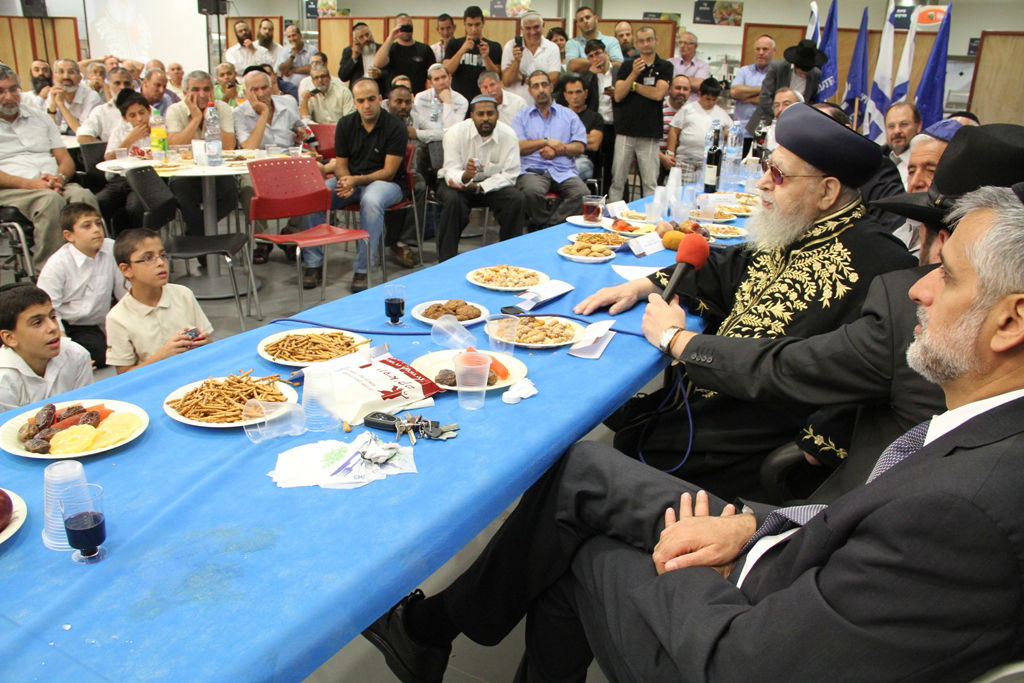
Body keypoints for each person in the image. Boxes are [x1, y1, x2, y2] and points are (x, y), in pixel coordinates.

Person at [366, 183, 1024, 682]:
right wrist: (759, 524)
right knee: (582, 471)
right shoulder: (988, 435)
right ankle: (431, 628)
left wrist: (696, 557)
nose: (918, 290)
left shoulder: (962, 511)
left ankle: (430, 628)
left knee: (578, 549)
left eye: (947, 274)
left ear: (1009, 322)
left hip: (750, 617)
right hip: (790, 540)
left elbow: (748, 660)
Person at [665, 123, 1024, 502]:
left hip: (820, 481)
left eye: (948, 270)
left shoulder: (891, 282)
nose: (918, 289)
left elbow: (794, 367)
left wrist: (678, 341)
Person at [576, 103, 916, 499]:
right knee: (619, 429)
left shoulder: (883, 265)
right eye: (767, 167)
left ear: (827, 191)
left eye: (779, 175)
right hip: (714, 402)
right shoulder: (798, 226)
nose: (762, 183)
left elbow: (874, 378)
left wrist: (817, 443)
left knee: (594, 463)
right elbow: (726, 265)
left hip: (758, 438)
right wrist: (644, 285)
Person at [300, 78, 407, 292]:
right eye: (360, 101)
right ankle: (313, 264)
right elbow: (341, 165)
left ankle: (363, 269)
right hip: (352, 179)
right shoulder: (346, 124)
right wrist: (346, 181)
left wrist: (355, 181)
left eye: (371, 99)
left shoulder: (395, 126)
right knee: (314, 196)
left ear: (380, 99)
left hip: (388, 184)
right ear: (355, 102)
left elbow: (389, 172)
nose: (366, 105)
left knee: (371, 200)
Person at [0, 63, 100, 271]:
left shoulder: (39, 117)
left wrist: (60, 178)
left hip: (53, 182)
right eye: (1, 91)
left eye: (13, 89)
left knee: (84, 197)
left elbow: (65, 160)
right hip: (12, 188)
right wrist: (31, 184)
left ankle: (95, 265)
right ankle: (50, 274)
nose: (9, 97)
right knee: (50, 201)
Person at [105, 228, 212, 373]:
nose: (161, 263)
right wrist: (163, 356)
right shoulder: (117, 318)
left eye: (163, 255)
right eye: (148, 258)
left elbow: (209, 344)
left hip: (196, 372)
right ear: (126, 269)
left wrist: (204, 343)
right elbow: (124, 375)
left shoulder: (183, 294)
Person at [35, 203, 126, 369]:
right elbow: (48, 309)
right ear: (69, 235)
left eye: (98, 223)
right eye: (87, 226)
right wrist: (65, 349)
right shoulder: (57, 264)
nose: (96, 230)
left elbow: (124, 292)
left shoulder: (111, 248)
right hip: (62, 323)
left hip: (93, 323)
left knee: (108, 353)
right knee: (87, 355)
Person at [436, 95, 524, 261]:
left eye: (490, 113)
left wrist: (480, 187)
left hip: (490, 185)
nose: (485, 118)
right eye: (480, 114)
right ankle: (446, 260)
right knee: (453, 201)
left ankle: (510, 258)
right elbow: (450, 170)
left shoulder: (509, 135)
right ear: (472, 116)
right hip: (457, 185)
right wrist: (465, 177)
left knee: (515, 199)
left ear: (497, 115)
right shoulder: (455, 133)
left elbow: (510, 175)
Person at [234, 69, 304, 264]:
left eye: (264, 87)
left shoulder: (288, 103)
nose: (261, 93)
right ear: (246, 92)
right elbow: (249, 148)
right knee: (247, 187)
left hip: (287, 162)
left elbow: (300, 127)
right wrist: (264, 113)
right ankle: (262, 240)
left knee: (310, 182)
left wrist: (301, 133)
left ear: (272, 87)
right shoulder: (239, 113)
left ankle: (291, 233)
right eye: (254, 89)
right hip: (257, 165)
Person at [165, 70, 240, 238]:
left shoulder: (223, 108)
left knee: (231, 194)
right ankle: (202, 234)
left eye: (207, 89)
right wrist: (196, 118)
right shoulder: (174, 110)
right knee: (181, 195)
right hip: (185, 172)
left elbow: (229, 146)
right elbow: (175, 146)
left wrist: (210, 117)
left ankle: (195, 233)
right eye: (195, 90)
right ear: (185, 93)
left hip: (216, 169)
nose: (202, 94)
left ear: (213, 90)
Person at [513, 71, 587, 231]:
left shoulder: (569, 115)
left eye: (544, 84)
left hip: (564, 170)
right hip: (533, 170)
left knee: (582, 193)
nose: (541, 89)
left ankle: (547, 229)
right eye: (536, 86)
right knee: (531, 192)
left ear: (551, 87)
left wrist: (558, 150)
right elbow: (518, 147)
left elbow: (580, 146)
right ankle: (547, 228)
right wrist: (545, 141)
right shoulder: (521, 116)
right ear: (530, 91)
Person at [0, 283, 92, 412]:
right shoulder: (3, 380)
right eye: (37, 323)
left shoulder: (76, 354)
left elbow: (88, 408)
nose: (53, 327)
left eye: (53, 317)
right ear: (10, 338)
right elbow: (10, 424)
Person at [609, 26, 672, 202]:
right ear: (636, 43)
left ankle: (650, 215)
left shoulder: (665, 66)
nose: (646, 44)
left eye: (649, 39)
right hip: (625, 130)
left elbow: (658, 94)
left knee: (650, 182)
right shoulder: (627, 65)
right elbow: (618, 95)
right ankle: (613, 214)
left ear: (656, 40)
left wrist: (634, 86)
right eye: (642, 41)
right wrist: (634, 74)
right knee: (617, 180)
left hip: (650, 131)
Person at [95, 90, 154, 231]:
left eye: (142, 113)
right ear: (125, 118)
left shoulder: (159, 128)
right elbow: (108, 158)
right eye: (132, 115)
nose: (139, 119)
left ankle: (139, 239)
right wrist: (130, 139)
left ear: (149, 111)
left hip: (145, 179)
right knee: (100, 201)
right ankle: (111, 237)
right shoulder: (119, 131)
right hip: (121, 177)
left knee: (135, 206)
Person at [746, 38, 824, 137]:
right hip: (768, 121)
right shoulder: (778, 68)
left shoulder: (816, 74)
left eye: (806, 73)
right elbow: (765, 97)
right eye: (800, 72)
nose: (803, 75)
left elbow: (811, 100)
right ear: (795, 64)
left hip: (796, 126)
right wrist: (780, 115)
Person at [665, 77, 732, 176]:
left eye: (714, 100)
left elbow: (731, 132)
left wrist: (722, 134)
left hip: (709, 161)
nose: (710, 102)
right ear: (700, 94)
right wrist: (670, 153)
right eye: (707, 99)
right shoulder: (688, 109)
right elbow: (674, 130)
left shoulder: (721, 113)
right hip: (685, 160)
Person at [411, 63, 469, 172]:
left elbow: (451, 131)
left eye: (443, 77)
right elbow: (426, 126)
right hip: (425, 142)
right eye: (436, 79)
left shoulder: (462, 101)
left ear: (450, 77)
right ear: (430, 82)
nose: (441, 82)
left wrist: (447, 102)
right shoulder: (421, 98)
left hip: (450, 143)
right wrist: (437, 133)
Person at [443, 5, 502, 101]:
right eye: (470, 25)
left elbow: (496, 76)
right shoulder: (454, 44)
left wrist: (486, 57)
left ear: (483, 22)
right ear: (464, 24)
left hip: (484, 98)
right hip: (459, 99)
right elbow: (447, 71)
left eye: (477, 24)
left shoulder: (494, 46)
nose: (473, 29)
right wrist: (461, 51)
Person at [500, 11, 560, 105]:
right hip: (515, 105)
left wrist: (524, 78)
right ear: (521, 29)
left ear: (543, 25)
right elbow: (507, 81)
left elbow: (553, 79)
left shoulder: (552, 47)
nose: (532, 32)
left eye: (536, 27)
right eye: (528, 28)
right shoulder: (510, 46)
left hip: (542, 104)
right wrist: (517, 61)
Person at [730, 34, 775, 149]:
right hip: (741, 132)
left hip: (765, 133)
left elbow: (773, 101)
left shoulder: (777, 73)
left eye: (765, 49)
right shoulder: (744, 71)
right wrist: (765, 89)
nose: (761, 52)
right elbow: (734, 92)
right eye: (758, 49)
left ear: (773, 51)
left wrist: (745, 96)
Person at [375, 13, 435, 94]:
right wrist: (391, 38)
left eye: (408, 26)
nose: (406, 30)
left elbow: (433, 73)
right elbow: (378, 63)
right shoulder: (390, 48)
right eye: (402, 27)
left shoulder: (424, 49)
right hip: (394, 95)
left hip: (417, 95)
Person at [76, 67, 134, 143]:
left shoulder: (145, 109)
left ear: (132, 87)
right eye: (117, 83)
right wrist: (110, 148)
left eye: (127, 84)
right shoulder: (101, 111)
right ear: (108, 87)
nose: (122, 87)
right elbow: (82, 136)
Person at [562, 74, 603, 182]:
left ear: (585, 93)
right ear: (565, 95)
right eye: (570, 93)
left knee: (569, 171)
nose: (575, 96)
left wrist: (564, 137)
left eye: (578, 92)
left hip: (583, 159)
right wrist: (582, 138)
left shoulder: (595, 117)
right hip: (559, 157)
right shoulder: (558, 115)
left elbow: (594, 144)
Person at [45, 59, 101, 135]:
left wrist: (61, 105)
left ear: (80, 78)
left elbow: (83, 132)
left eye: (71, 72)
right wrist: (53, 106)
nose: (66, 76)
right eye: (61, 72)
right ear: (54, 77)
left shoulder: (91, 96)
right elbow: (49, 129)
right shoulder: (53, 93)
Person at [565, 6, 623, 74]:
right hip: (583, 80)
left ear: (595, 19)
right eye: (581, 20)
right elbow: (572, 66)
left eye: (588, 17)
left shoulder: (611, 41)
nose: (585, 21)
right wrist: (604, 59)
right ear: (578, 25)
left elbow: (619, 64)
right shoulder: (572, 43)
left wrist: (583, 63)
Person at [338, 22, 386, 93]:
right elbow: (343, 77)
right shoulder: (348, 51)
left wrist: (380, 73)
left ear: (372, 34)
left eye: (367, 34)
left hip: (379, 90)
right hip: (358, 92)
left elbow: (391, 71)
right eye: (361, 37)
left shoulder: (382, 49)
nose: (366, 39)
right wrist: (354, 58)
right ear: (355, 40)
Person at [884, 101, 922, 187]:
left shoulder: (928, 163)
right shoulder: (877, 162)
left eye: (904, 124)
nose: (897, 131)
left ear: (918, 126)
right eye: (891, 126)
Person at [659, 75, 691, 175]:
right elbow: (645, 139)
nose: (681, 92)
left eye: (685, 89)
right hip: (656, 157)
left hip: (684, 161)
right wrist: (662, 157)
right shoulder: (657, 107)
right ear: (669, 89)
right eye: (678, 88)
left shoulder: (693, 110)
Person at [668, 30, 708, 97]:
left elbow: (699, 84)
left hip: (692, 102)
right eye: (680, 43)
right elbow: (665, 82)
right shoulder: (670, 62)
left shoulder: (703, 65)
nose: (682, 46)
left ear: (695, 46)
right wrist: (691, 82)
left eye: (686, 43)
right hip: (672, 101)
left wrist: (674, 81)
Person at [278, 24, 317, 90]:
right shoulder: (284, 50)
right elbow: (283, 70)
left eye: (294, 35)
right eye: (289, 37)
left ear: (300, 35)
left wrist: (292, 70)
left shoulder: (312, 50)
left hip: (308, 88)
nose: (292, 39)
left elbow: (312, 68)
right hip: (288, 89)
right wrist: (293, 55)